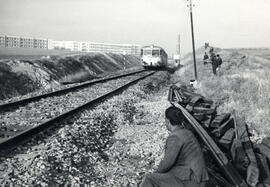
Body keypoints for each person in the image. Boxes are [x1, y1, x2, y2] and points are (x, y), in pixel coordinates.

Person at [140, 106, 209, 187]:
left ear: (167, 121)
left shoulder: (175, 137)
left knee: (149, 178)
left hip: (191, 182)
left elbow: (167, 163)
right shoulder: (188, 132)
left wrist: (156, 175)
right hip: (199, 179)